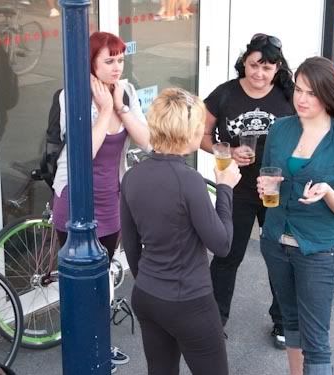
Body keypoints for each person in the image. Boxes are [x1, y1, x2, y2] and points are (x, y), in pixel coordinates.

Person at [256, 56, 334, 375]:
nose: (301, 99)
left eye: (311, 93)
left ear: (329, 95)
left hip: (317, 249)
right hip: (276, 241)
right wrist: (267, 185)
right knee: (290, 324)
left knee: (316, 340)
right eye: (299, 90)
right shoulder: (280, 129)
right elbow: (270, 181)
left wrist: (328, 193)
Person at [120, 88, 241, 375]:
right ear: (188, 133)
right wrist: (225, 188)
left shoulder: (133, 176)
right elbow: (222, 244)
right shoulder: (189, 181)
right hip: (189, 301)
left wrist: (151, 281)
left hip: (148, 295)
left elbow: (131, 245)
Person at [51, 31, 149, 373]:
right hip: (75, 201)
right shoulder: (72, 96)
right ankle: (84, 347)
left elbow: (150, 143)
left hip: (111, 201)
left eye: (120, 59)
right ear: (91, 63)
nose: (117, 67)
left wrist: (120, 105)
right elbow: (82, 156)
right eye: (109, 60)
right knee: (79, 280)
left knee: (102, 276)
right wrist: (105, 110)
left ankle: (99, 344)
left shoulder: (128, 91)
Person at [200, 33, 295, 348]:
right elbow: (201, 132)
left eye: (268, 68)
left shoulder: (289, 96)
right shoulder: (225, 94)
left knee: (280, 256)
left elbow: (308, 134)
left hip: (275, 189)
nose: (259, 74)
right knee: (227, 255)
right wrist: (222, 151)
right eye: (255, 65)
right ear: (244, 62)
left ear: (277, 69)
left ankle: (283, 322)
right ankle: (214, 321)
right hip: (236, 187)